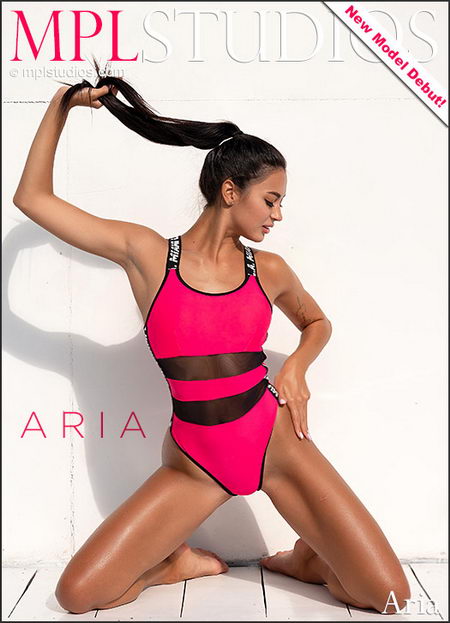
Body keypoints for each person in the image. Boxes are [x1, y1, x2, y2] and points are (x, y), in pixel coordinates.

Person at [13, 66, 410, 616]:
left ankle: (310, 562)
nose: (278, 214)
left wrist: (296, 366)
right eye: (270, 200)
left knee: (389, 598)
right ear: (230, 192)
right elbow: (32, 198)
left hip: (276, 444)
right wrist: (63, 103)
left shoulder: (269, 269)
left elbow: (317, 323)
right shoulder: (148, 255)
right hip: (196, 460)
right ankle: (173, 564)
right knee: (77, 595)